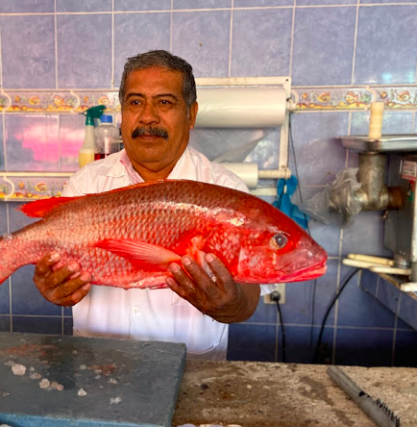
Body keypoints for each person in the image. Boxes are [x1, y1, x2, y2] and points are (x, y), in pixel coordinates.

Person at [33, 50, 274, 360]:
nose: (147, 116)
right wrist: (56, 287)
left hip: (193, 372)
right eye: (135, 102)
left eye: (164, 102)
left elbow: (248, 300)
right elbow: (57, 274)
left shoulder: (225, 192)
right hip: (97, 368)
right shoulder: (86, 184)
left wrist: (230, 304)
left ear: (192, 114)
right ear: (123, 113)